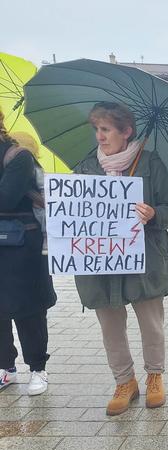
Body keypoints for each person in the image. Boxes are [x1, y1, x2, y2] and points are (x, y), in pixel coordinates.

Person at [74, 102, 168, 416]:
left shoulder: (150, 162)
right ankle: (124, 382)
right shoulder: (86, 167)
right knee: (110, 324)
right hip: (101, 261)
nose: (100, 136)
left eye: (105, 129)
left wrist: (154, 213)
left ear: (126, 132)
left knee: (151, 322)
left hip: (145, 259)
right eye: (97, 129)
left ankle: (155, 376)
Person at [0, 110, 56, 395]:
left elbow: (6, 197)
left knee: (29, 311)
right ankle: (5, 368)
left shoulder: (18, 156)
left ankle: (37, 368)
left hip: (23, 249)